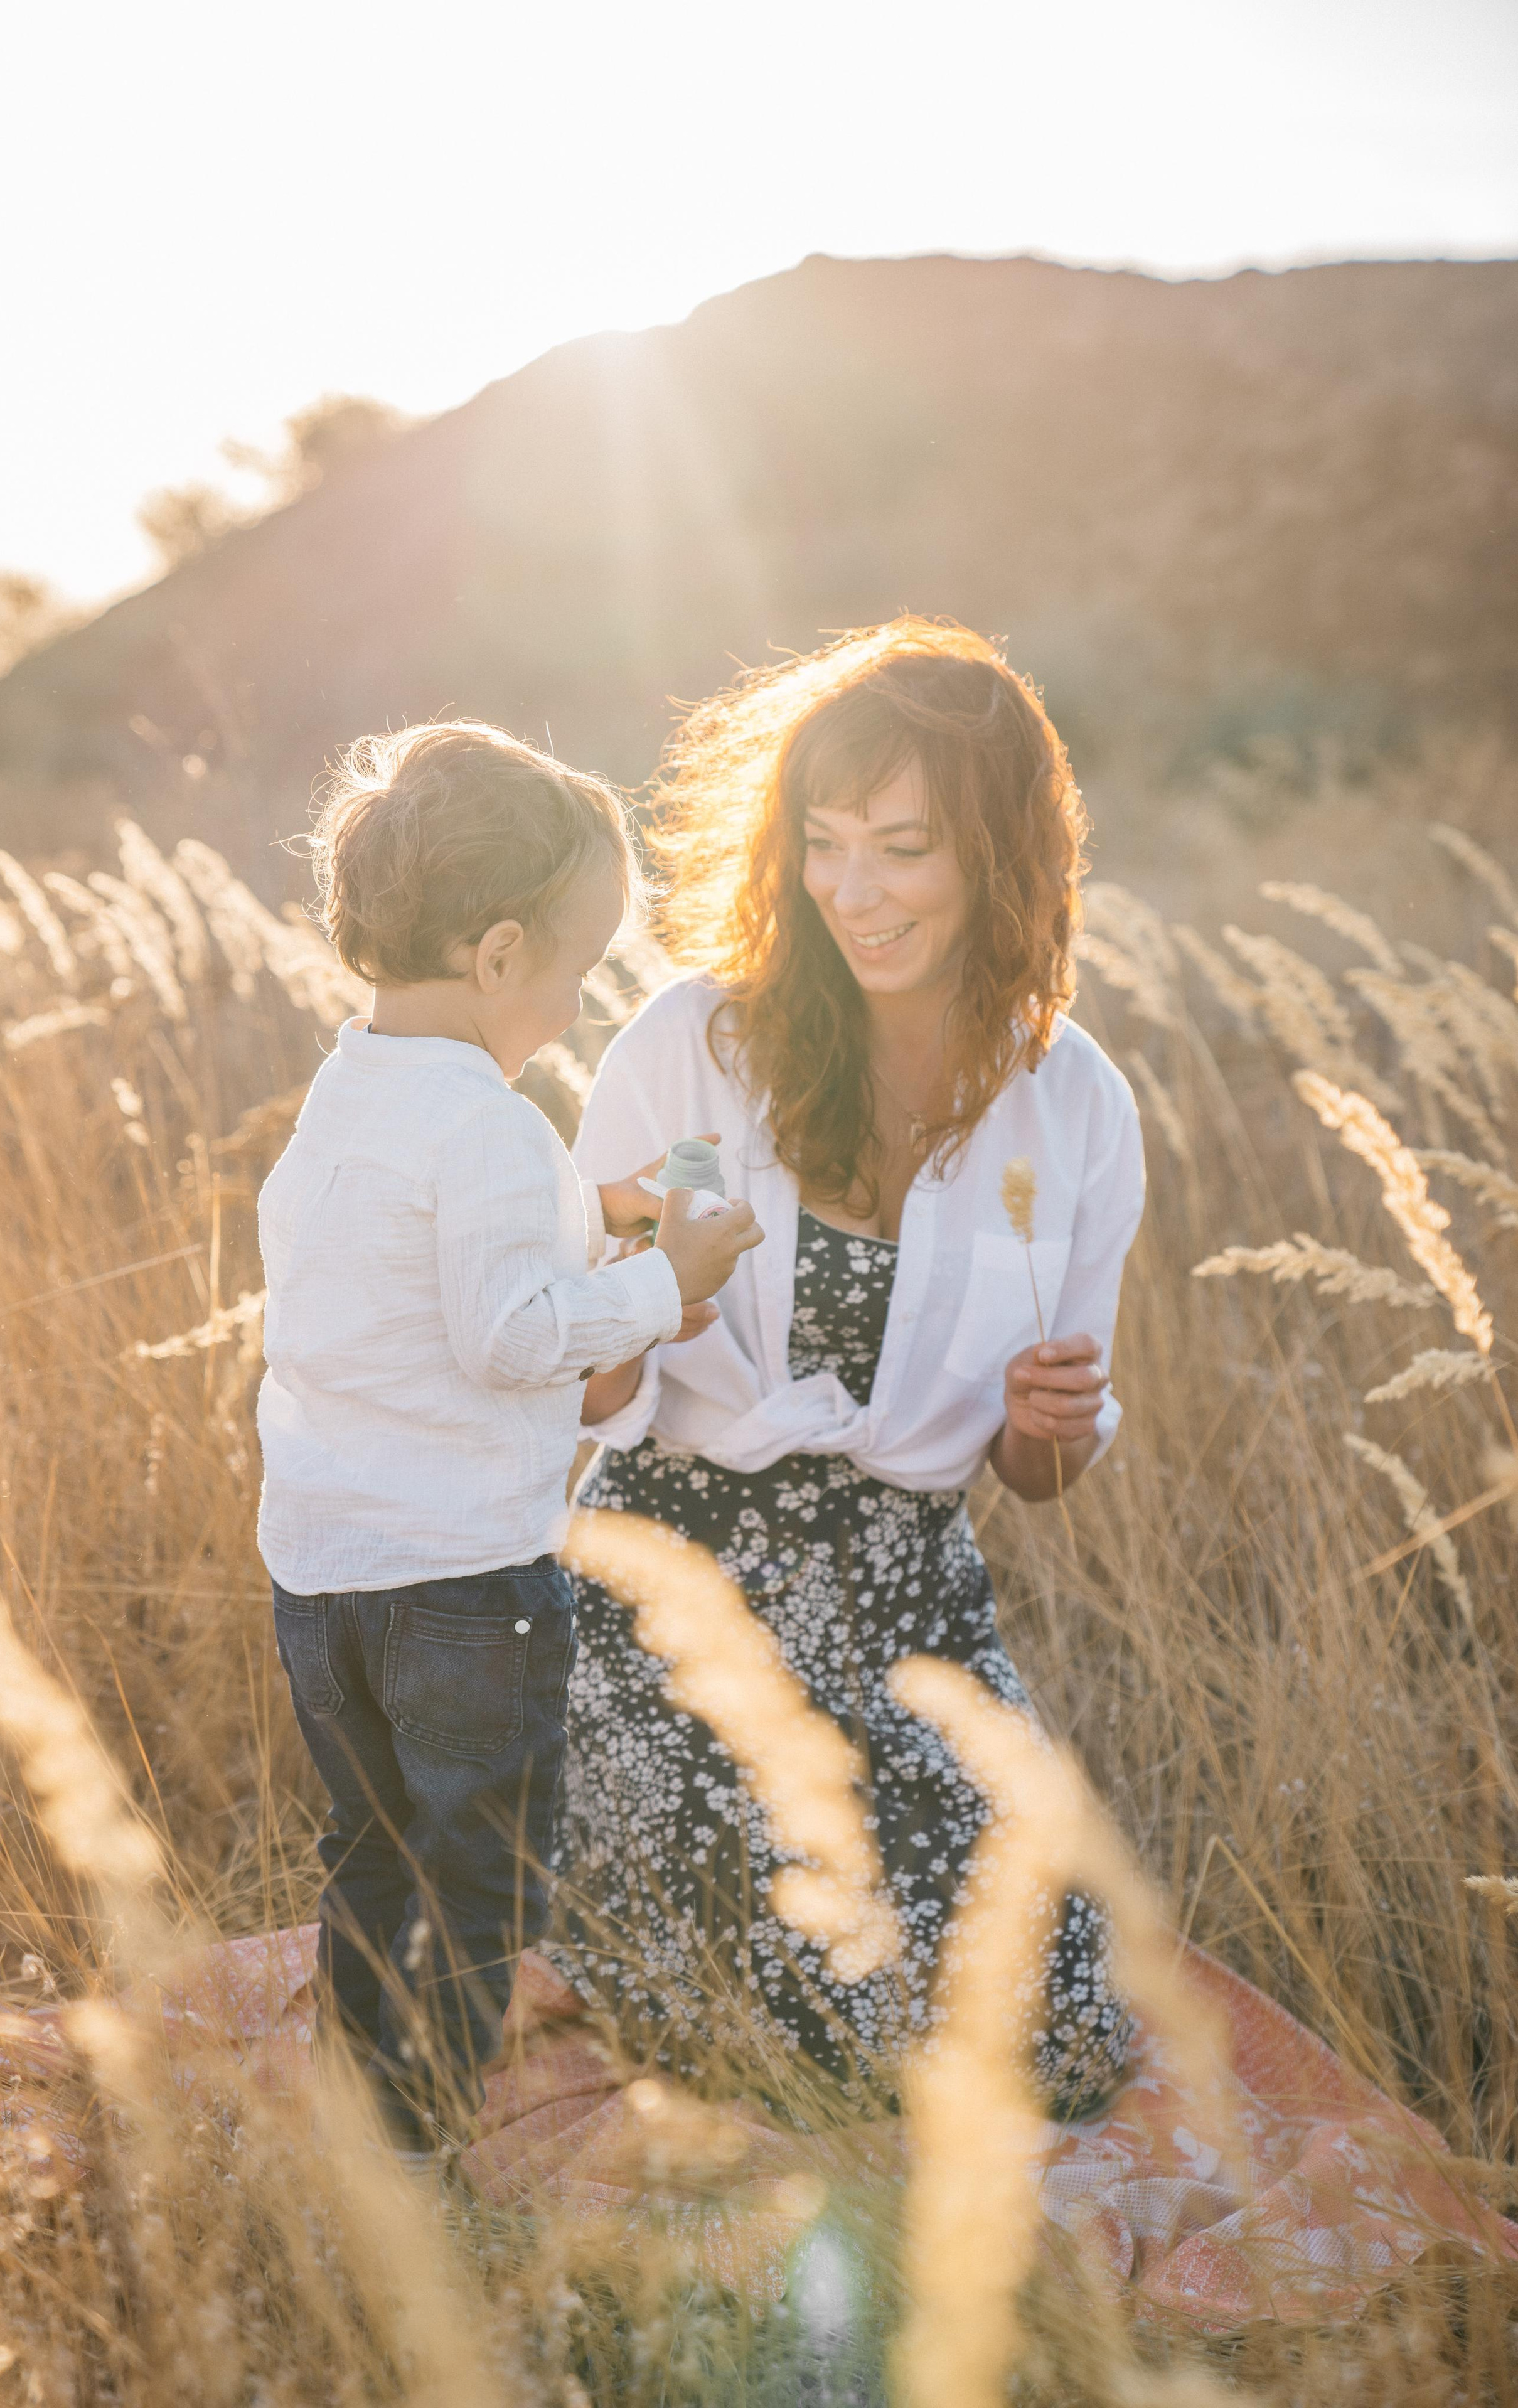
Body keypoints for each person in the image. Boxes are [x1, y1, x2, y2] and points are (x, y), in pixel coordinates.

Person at [551, 620, 1145, 2116]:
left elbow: (1044, 1471)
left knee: (1055, 2031)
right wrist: (637, 1315)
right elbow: (575, 1373)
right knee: (755, 2029)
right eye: (821, 843)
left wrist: (1042, 1421)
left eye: (901, 846)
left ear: (1000, 857)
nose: (850, 890)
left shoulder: (1067, 1101)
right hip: (669, 1591)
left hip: (907, 1610)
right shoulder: (693, 1047)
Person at [255, 720, 762, 2155]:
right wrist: (674, 1280)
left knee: (368, 1847)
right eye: (578, 965)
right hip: (461, 1583)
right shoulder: (482, 1120)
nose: (580, 995)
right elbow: (508, 1336)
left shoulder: (353, 1082)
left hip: (325, 1575)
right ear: (494, 954)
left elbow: (410, 1266)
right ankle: (425, 2143)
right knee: (477, 1871)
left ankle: (367, 2103)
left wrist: (591, 1208)